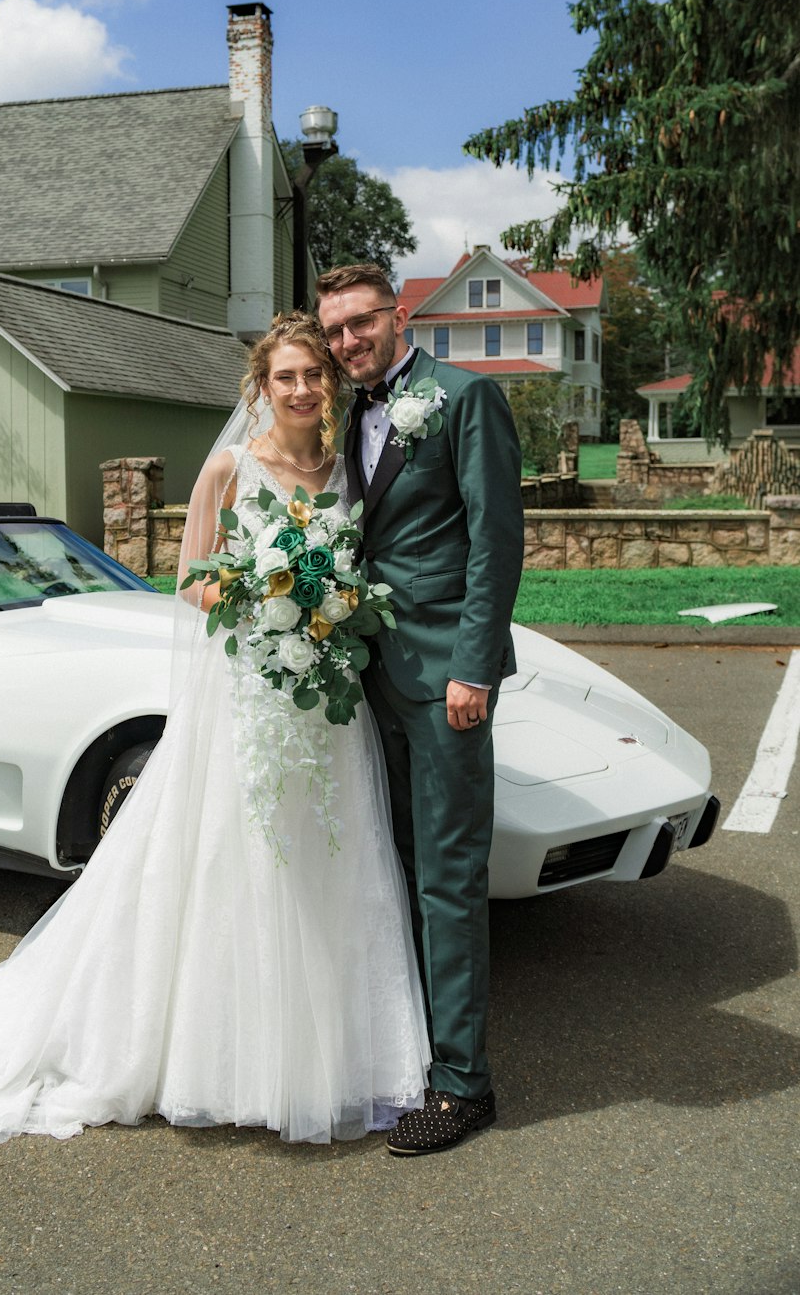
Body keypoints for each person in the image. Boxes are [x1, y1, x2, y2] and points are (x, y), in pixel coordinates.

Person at [0, 312, 430, 1160]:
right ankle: (222, 1061)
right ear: (262, 385)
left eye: (313, 375)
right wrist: (267, 606)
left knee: (327, 860)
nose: (302, 389)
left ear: (331, 384)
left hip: (322, 706)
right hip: (252, 690)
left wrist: (329, 612)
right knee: (232, 862)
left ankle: (331, 1056)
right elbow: (191, 580)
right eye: (285, 376)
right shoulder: (229, 466)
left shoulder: (346, 472)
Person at [316, 263, 524, 1158]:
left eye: (362, 323)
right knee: (393, 867)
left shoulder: (462, 399)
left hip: (445, 678)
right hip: (371, 676)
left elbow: (496, 541)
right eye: (335, 332)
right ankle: (415, 1054)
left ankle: (464, 1086)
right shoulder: (343, 413)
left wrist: (474, 671)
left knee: (447, 877)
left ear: (399, 316)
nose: (349, 342)